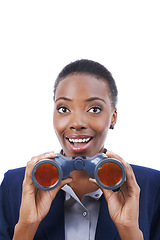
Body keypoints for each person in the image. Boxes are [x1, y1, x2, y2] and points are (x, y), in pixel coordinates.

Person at [0, 59, 160, 240]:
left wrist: (129, 230)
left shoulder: (152, 186)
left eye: (94, 109)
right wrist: (26, 227)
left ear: (113, 117)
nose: (77, 123)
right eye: (63, 108)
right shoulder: (14, 186)